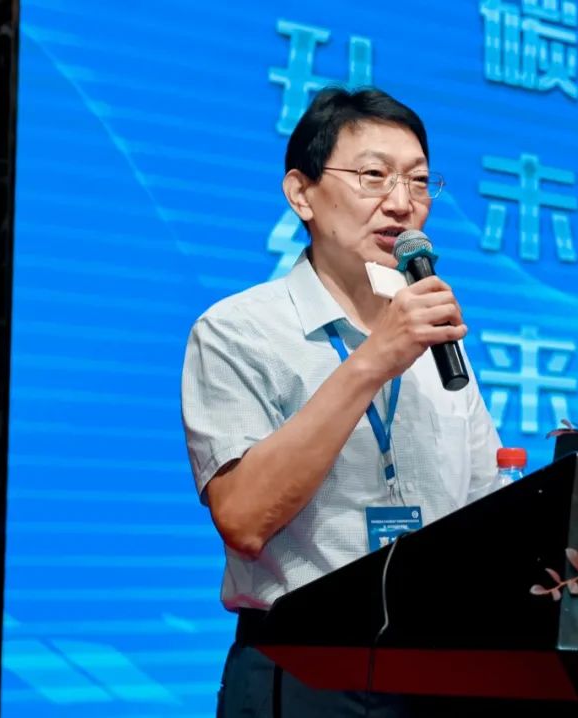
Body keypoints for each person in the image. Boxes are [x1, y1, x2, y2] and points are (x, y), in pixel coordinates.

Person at [180, 87, 502, 717]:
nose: (402, 203)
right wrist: (374, 359)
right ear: (301, 193)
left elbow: (484, 512)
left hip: (435, 673)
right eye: (373, 176)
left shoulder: (435, 339)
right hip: (301, 672)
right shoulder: (237, 331)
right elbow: (243, 518)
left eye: (418, 181)